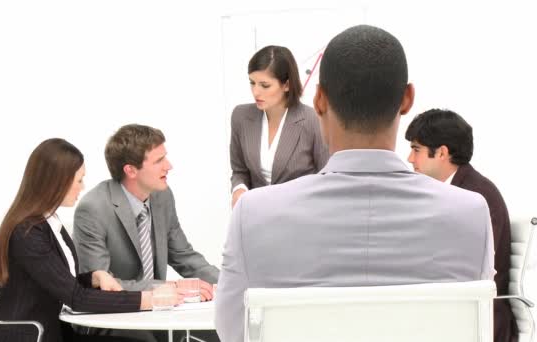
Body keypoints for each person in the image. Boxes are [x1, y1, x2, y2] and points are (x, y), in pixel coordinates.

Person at [215, 25, 495, 342]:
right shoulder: (471, 213)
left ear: (318, 100)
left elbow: (231, 331)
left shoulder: (252, 213)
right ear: (407, 99)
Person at [0, 138, 170, 342]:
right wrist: (149, 299)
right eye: (79, 180)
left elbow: (58, 280)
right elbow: (77, 298)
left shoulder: (49, 222)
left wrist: (93, 277)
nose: (82, 188)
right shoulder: (28, 232)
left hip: (53, 332)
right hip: (29, 336)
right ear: (57, 182)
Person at [74, 124, 219, 341]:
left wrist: (230, 285)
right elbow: (103, 286)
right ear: (131, 170)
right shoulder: (93, 208)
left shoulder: (162, 196)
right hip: (114, 318)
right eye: (159, 161)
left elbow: (183, 255)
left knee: (219, 331)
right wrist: (171, 287)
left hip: (159, 312)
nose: (169, 166)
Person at [405, 108, 516, 342]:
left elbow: (465, 272)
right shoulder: (452, 191)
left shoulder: (475, 198)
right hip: (456, 312)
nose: (410, 159)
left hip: (479, 320)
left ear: (442, 153)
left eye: (416, 150)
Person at [230, 45, 329, 207]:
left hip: (300, 219)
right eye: (252, 83)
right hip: (256, 218)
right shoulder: (241, 117)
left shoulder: (312, 120)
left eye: (264, 85)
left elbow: (326, 178)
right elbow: (239, 171)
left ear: (287, 85)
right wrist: (239, 189)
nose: (256, 92)